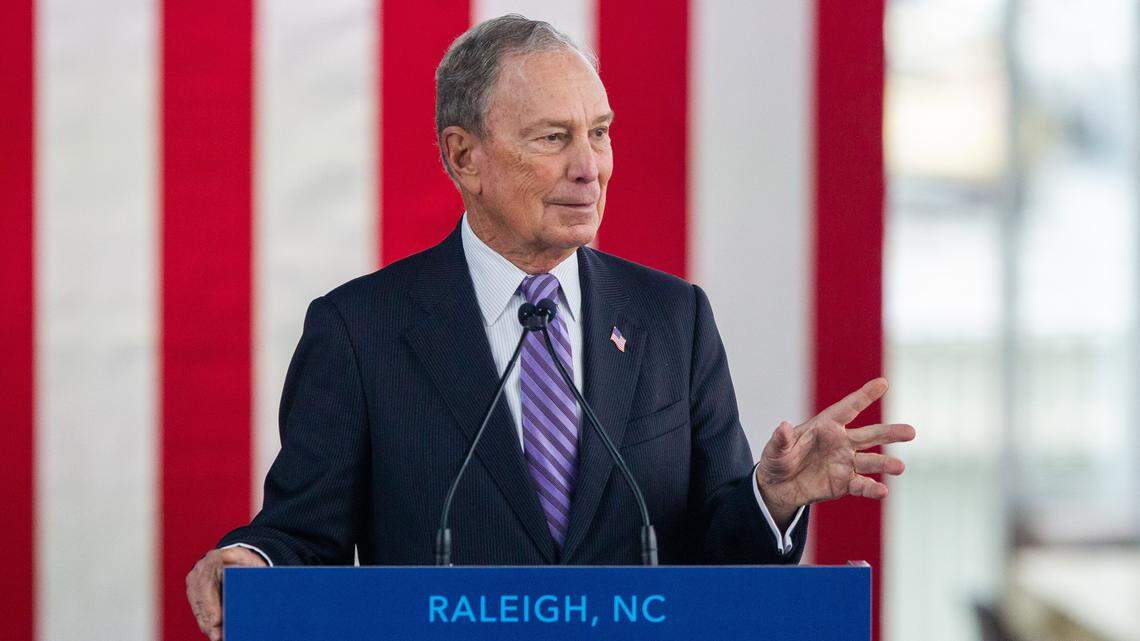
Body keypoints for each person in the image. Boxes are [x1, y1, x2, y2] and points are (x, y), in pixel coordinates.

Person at [185, 14, 915, 641]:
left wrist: (773, 496)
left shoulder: (672, 319)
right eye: (552, 138)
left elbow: (719, 552)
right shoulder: (359, 330)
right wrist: (253, 564)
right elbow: (302, 532)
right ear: (464, 157)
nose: (589, 168)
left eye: (599, 133)